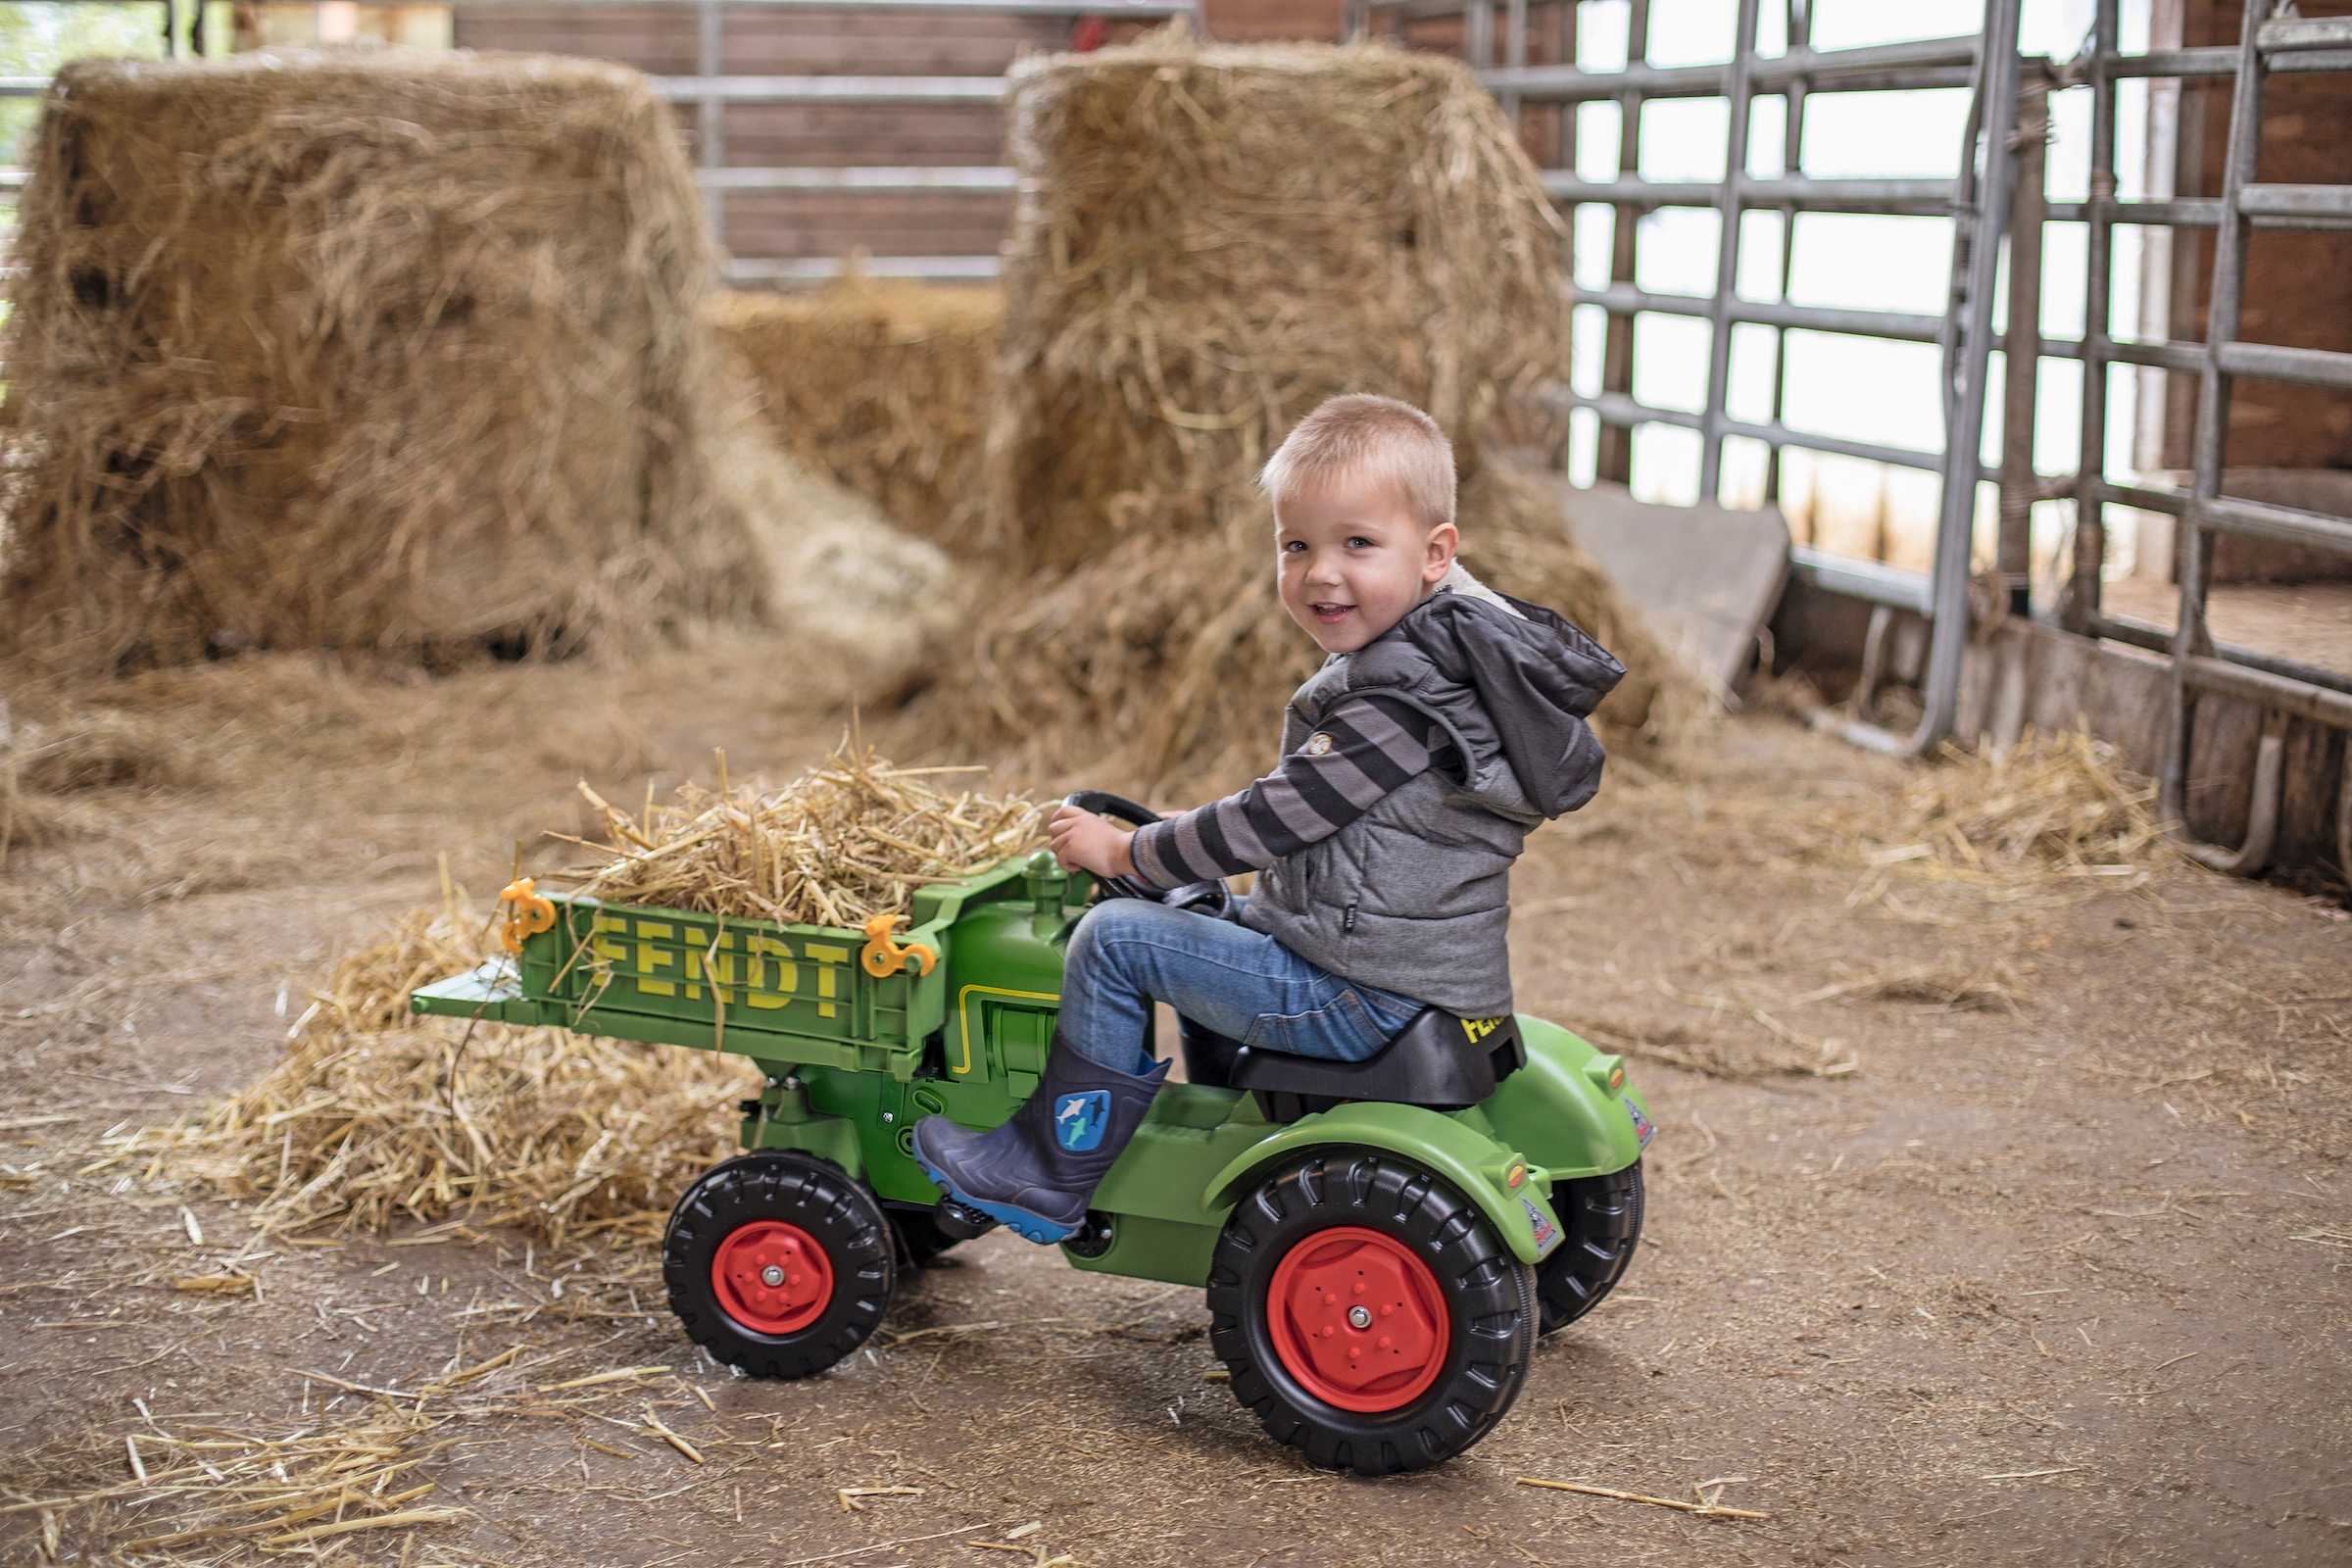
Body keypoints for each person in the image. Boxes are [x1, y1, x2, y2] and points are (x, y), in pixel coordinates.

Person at [911, 394, 1625, 1244]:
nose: (1322, 572)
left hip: (1358, 988)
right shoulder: (1454, 664)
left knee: (1115, 940)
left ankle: (1045, 1171)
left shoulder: (1398, 699)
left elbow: (1273, 819)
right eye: (1297, 546)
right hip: (1405, 963)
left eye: (1357, 543)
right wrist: (1181, 845)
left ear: (1436, 554)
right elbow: (1322, 819)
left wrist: (1131, 849)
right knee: (1207, 905)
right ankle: (1219, 1118)